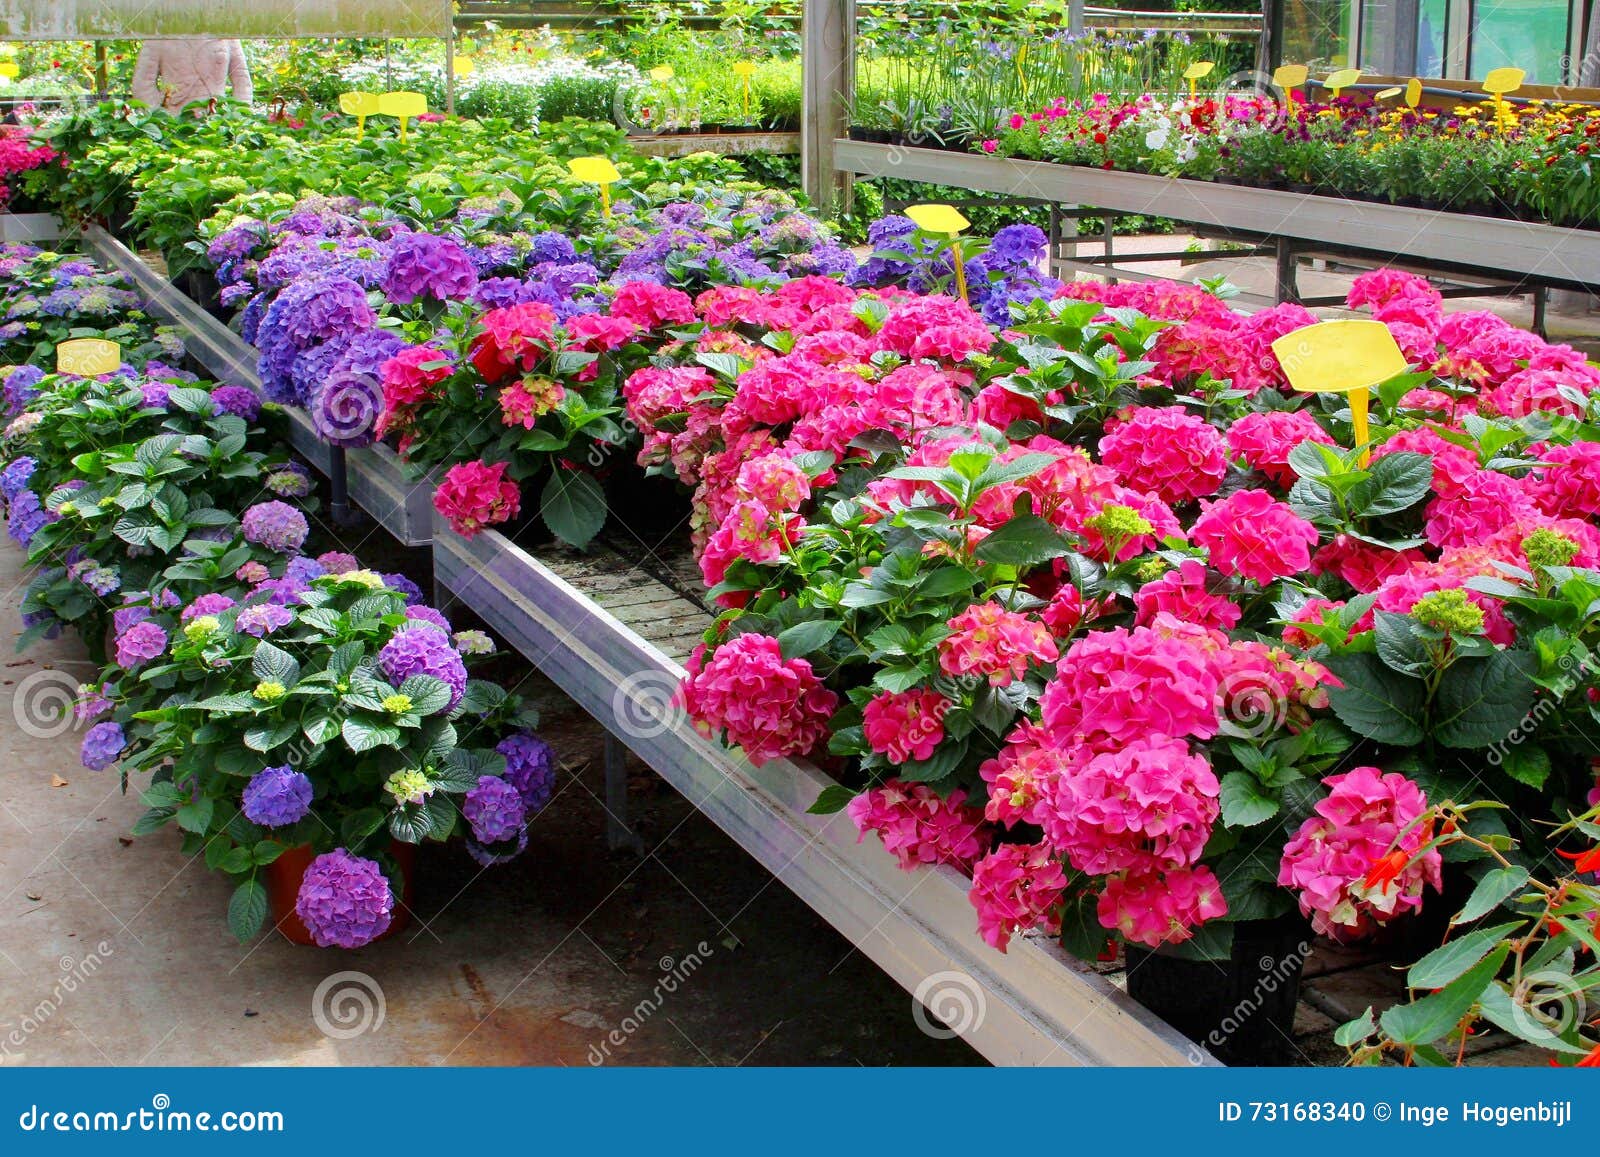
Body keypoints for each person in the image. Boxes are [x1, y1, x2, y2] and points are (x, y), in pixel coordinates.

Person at [130, 39, 252, 113]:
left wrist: (236, 118)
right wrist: (160, 117)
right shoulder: (161, 34)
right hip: (174, 118)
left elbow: (242, 82)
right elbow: (142, 83)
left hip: (215, 119)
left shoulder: (225, 35)